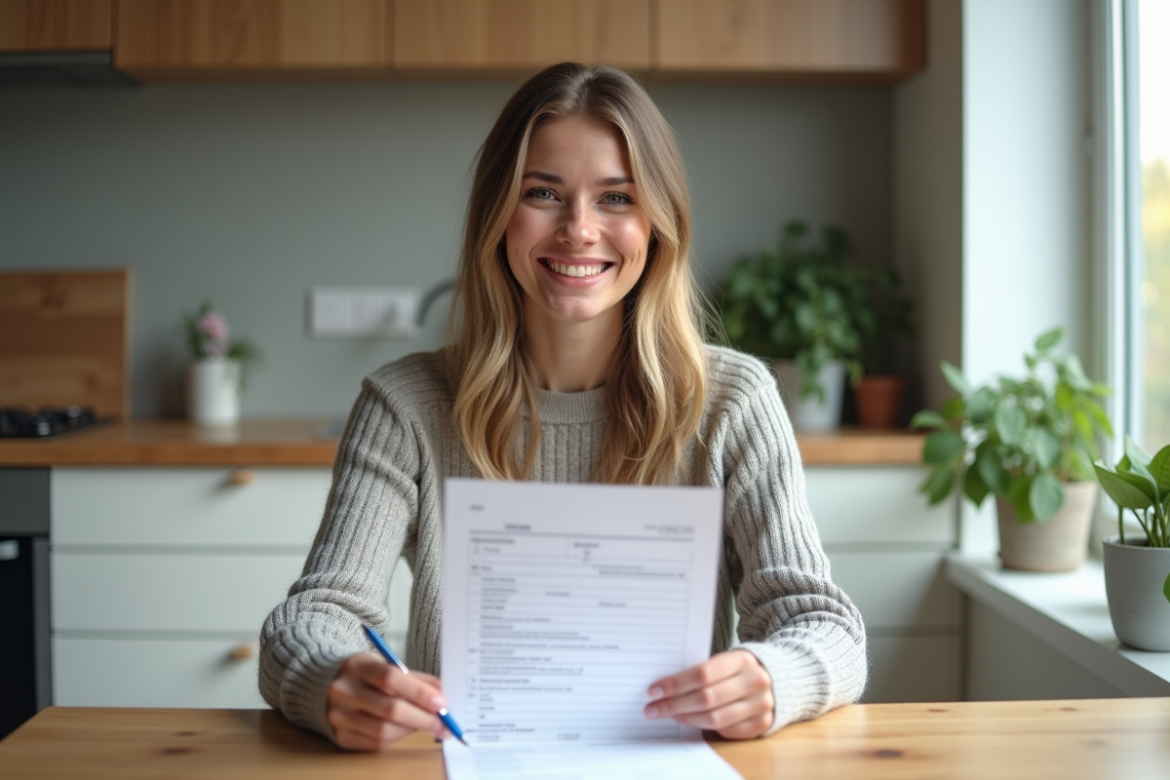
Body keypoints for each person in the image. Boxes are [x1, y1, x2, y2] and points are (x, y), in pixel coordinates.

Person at [259, 61, 867, 751]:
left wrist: (774, 676)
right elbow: (313, 616)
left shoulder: (733, 402)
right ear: (497, 215)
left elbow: (823, 625)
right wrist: (332, 675)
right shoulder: (404, 406)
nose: (578, 230)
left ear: (658, 223)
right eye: (543, 193)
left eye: (615, 198)